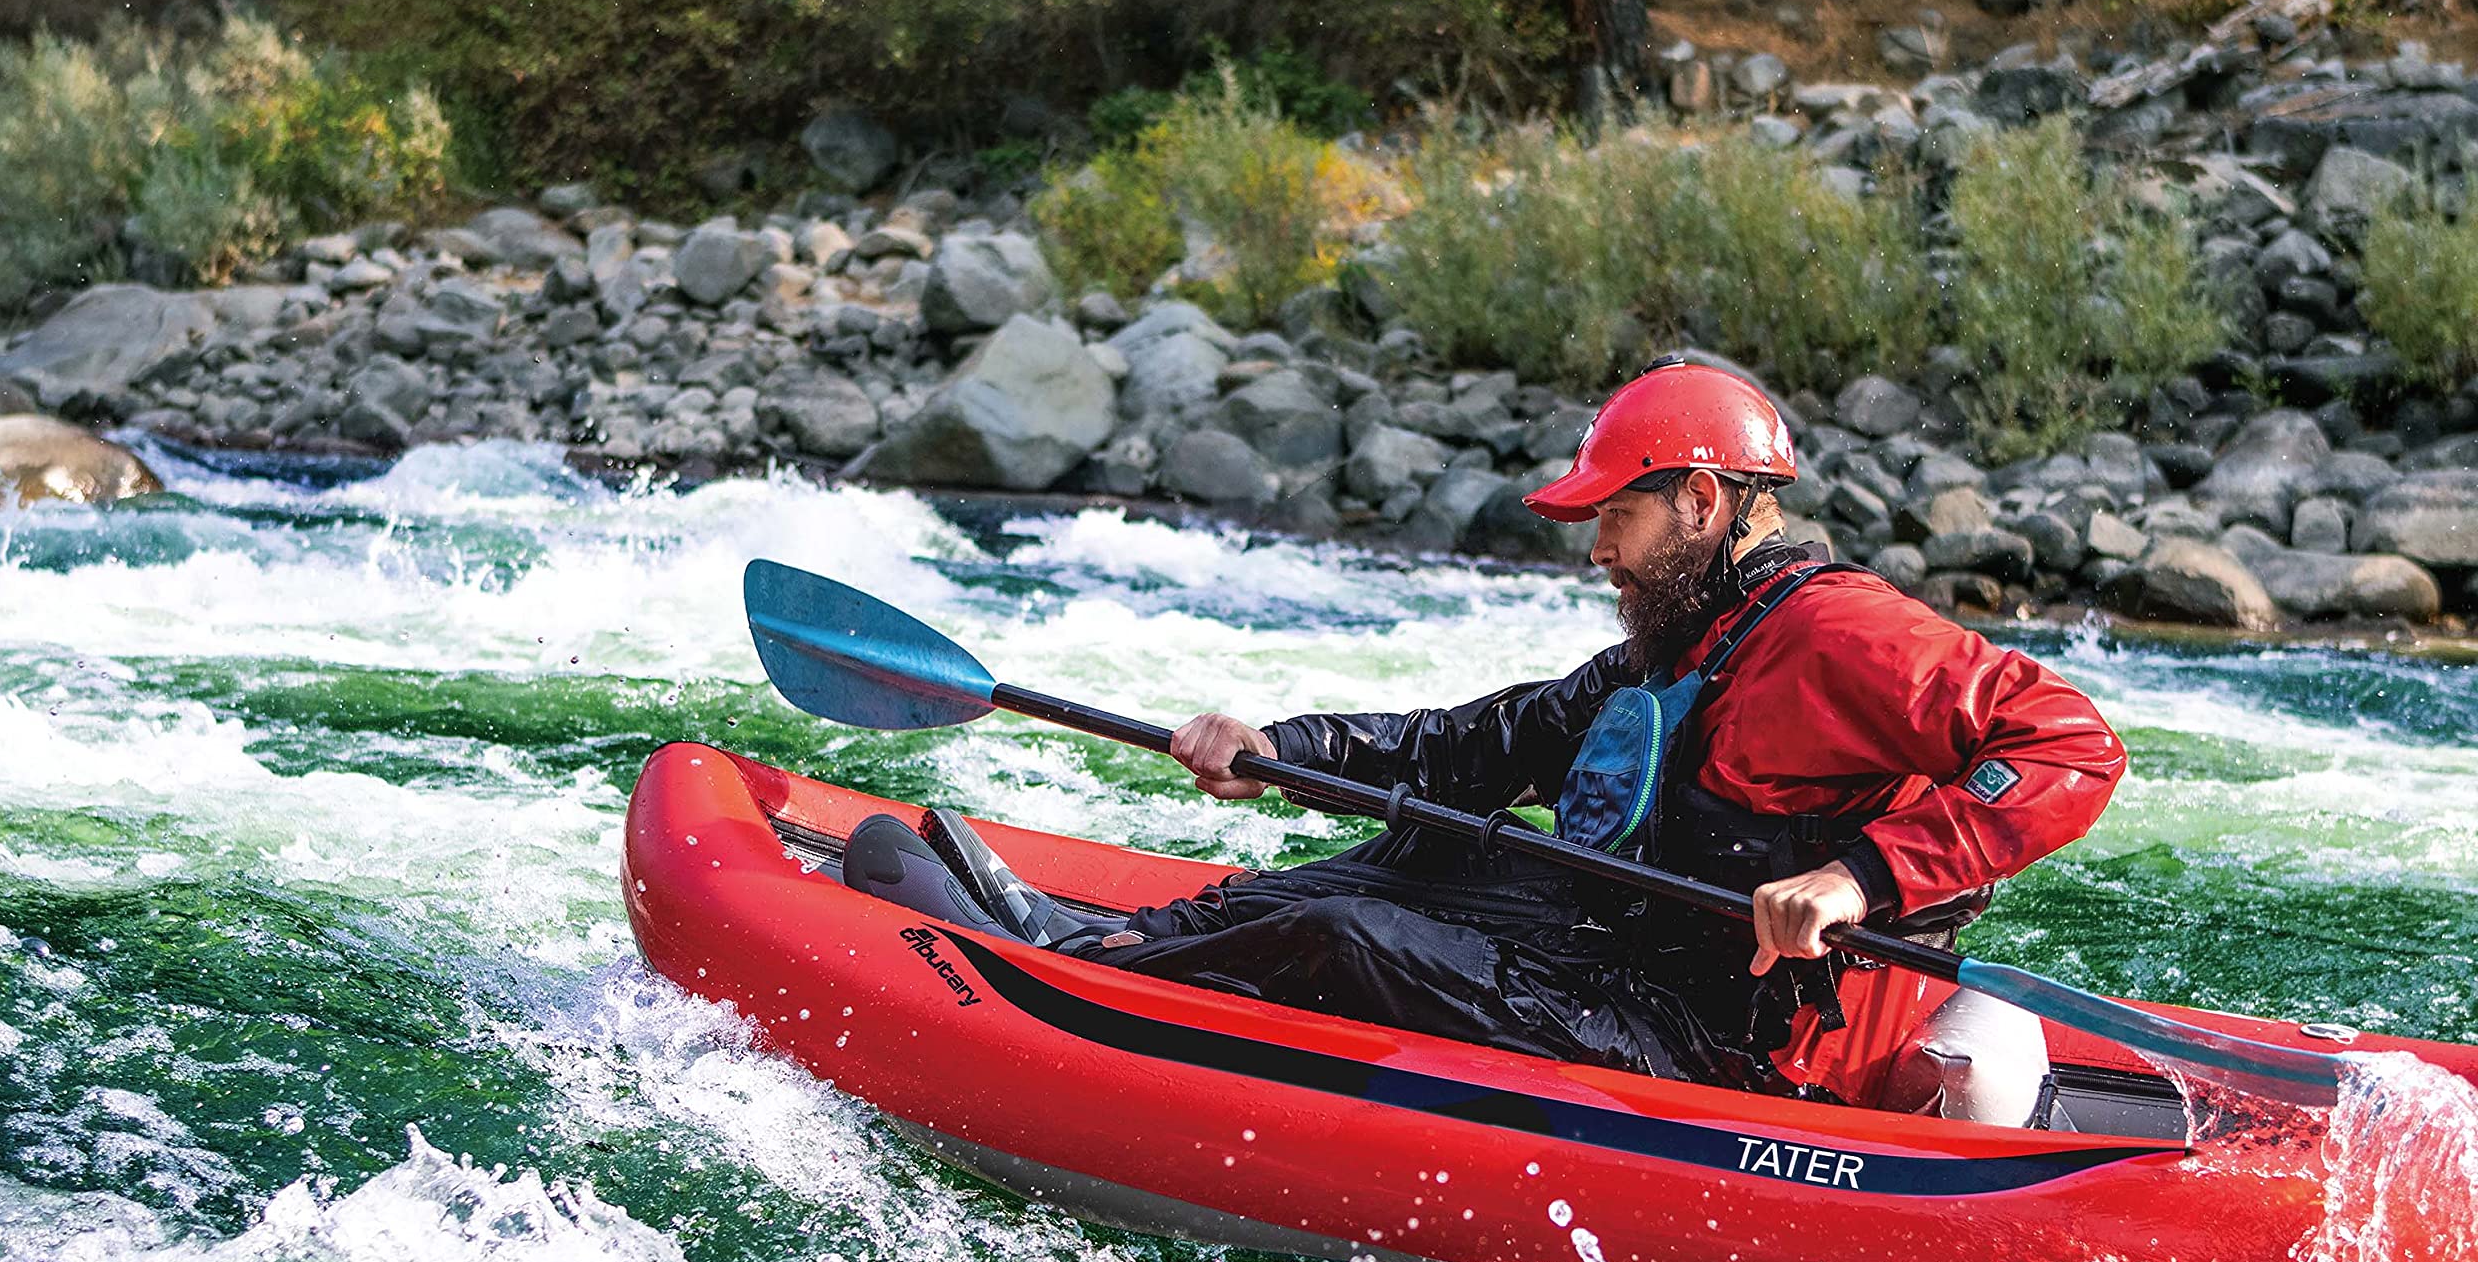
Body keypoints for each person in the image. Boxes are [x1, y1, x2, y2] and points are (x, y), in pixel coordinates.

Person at [846, 357, 2127, 1105]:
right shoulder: (1690, 638)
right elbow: (1475, 748)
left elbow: (2070, 747)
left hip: (1729, 1039)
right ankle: (1117, 942)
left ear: (1698, 501)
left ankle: (1078, 994)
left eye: (1613, 518)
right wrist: (1281, 747)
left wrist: (1858, 879)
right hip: (1630, 950)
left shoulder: (1844, 636)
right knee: (1428, 839)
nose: (1596, 550)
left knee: (1349, 931)